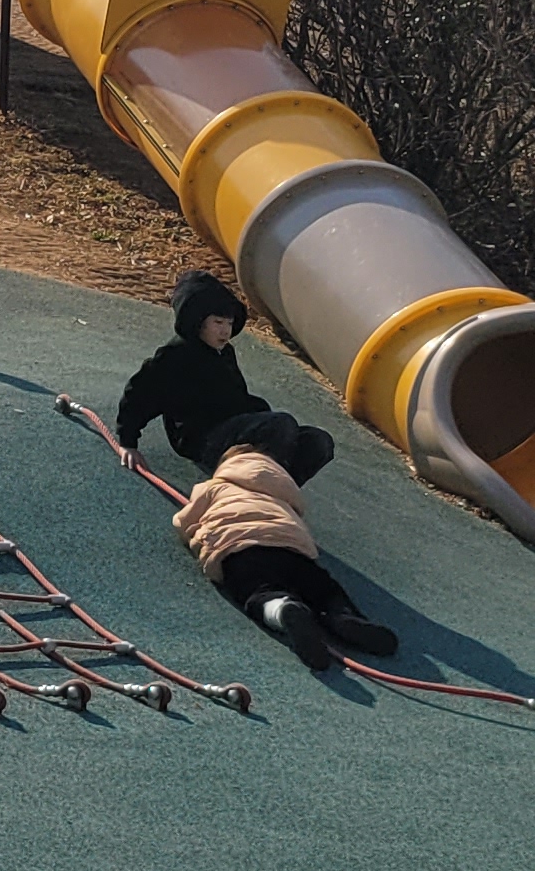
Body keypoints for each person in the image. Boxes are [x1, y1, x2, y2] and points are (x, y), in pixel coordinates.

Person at [172, 442, 399, 671]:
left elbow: (183, 522)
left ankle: (282, 608)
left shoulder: (215, 486)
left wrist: (196, 534)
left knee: (258, 592)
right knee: (324, 589)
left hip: (241, 550)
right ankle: (342, 615)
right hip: (292, 549)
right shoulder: (285, 494)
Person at [115, 267, 335, 483]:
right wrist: (128, 443)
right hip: (201, 439)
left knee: (318, 441)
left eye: (229, 323)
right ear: (198, 322)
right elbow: (140, 394)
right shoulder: (175, 355)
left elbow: (233, 397)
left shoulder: (224, 353)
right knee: (280, 425)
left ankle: (281, 486)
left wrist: (257, 410)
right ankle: (259, 485)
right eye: (218, 323)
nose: (225, 331)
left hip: (231, 428)